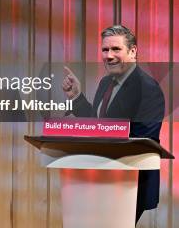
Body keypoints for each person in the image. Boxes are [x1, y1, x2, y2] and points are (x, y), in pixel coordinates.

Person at [62, 24, 165, 225]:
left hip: (129, 183)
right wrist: (76, 98)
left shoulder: (148, 89)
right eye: (105, 49)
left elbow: (142, 139)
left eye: (116, 49)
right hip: (101, 177)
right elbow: (98, 124)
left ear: (133, 51)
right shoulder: (105, 83)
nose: (109, 56)